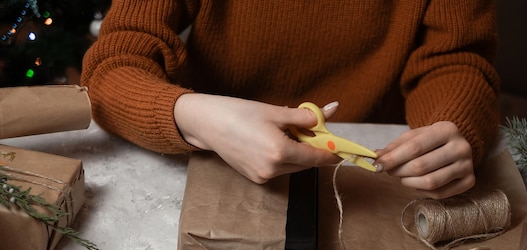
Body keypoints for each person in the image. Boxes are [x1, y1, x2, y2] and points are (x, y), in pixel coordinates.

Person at [81, 0, 500, 199]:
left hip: (375, 182)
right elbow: (112, 68)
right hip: (199, 163)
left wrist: (451, 126)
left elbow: (455, 59)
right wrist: (196, 118)